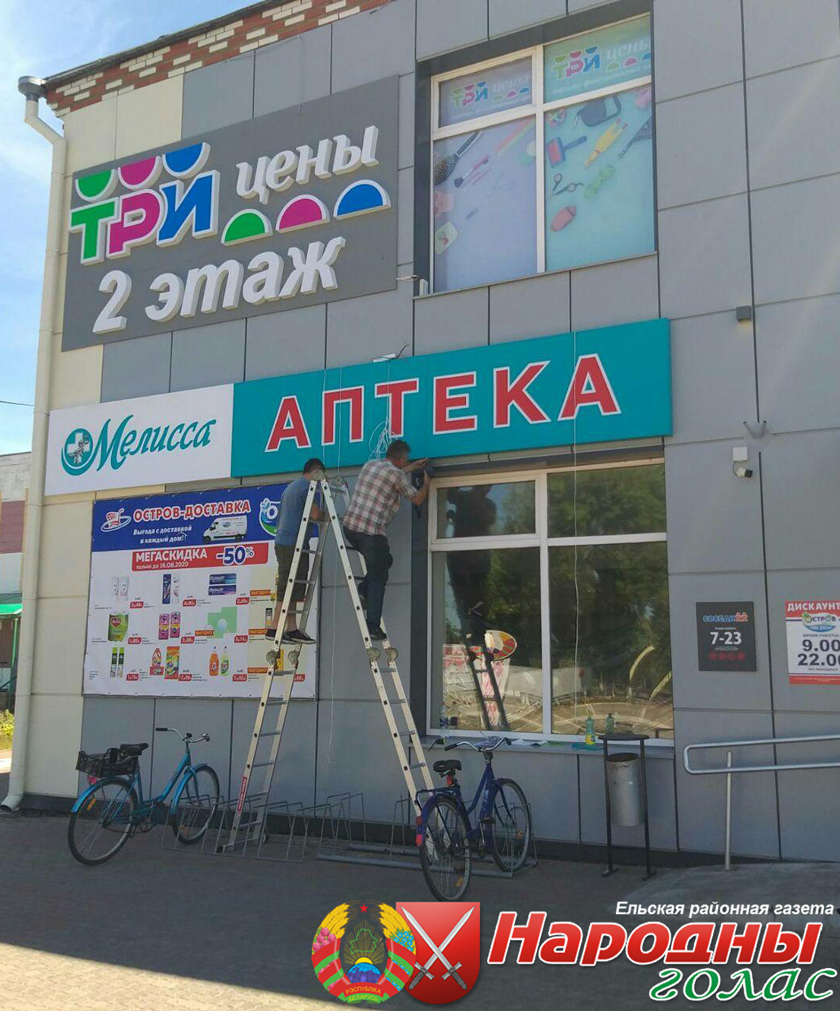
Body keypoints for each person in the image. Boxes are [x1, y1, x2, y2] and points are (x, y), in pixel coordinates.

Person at [343, 440, 430, 640]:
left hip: (350, 528)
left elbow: (391, 476)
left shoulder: (371, 464)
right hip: (371, 533)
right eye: (406, 459)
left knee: (385, 561)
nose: (407, 461)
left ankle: (363, 589)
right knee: (378, 578)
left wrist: (411, 467)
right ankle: (373, 626)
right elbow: (417, 499)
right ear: (401, 458)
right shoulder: (397, 475)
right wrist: (426, 483)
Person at [267, 458, 326, 644]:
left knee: (291, 585)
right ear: (316, 472)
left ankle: (291, 628)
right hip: (294, 543)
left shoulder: (291, 487)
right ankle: (274, 628)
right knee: (287, 585)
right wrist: (330, 515)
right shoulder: (310, 487)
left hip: (285, 541)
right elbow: (315, 515)